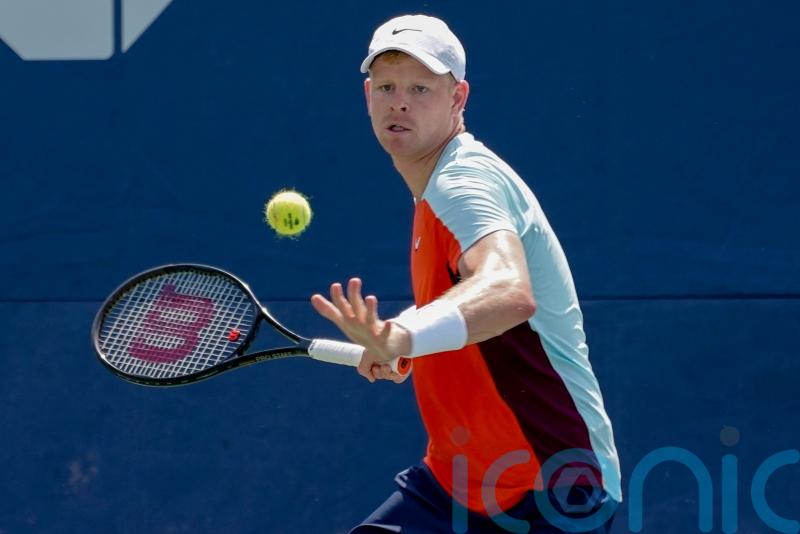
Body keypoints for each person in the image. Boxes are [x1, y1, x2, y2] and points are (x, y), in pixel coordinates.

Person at [311, 14, 621, 534]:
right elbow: (467, 294)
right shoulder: (435, 187)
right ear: (368, 96)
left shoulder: (461, 181)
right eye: (386, 86)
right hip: (457, 485)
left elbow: (507, 292)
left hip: (549, 487)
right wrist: (405, 339)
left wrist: (402, 334)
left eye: (421, 88)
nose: (400, 101)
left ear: (458, 99)